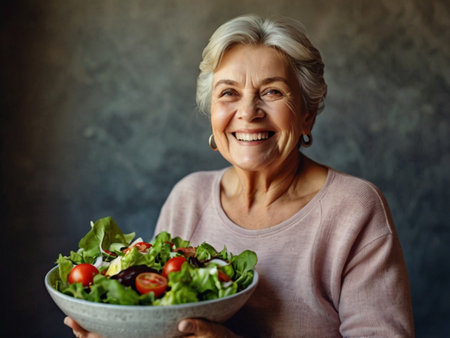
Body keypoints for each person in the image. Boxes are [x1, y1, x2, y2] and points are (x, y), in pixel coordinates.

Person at [65, 14, 415, 337]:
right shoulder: (188, 198)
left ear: (307, 115)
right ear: (213, 114)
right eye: (229, 93)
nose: (248, 112)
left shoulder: (353, 208)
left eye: (272, 92)